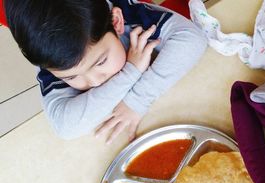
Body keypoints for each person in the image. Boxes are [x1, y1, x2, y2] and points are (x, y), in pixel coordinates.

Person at [4, 0, 207, 143]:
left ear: (116, 22)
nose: (94, 82)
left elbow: (193, 41)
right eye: (72, 77)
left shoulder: (128, 16)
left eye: (100, 62)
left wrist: (137, 100)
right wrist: (131, 71)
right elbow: (65, 127)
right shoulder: (51, 58)